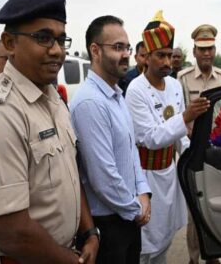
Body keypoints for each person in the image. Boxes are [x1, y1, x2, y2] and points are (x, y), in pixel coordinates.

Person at [0, 0, 99, 263]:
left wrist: (90, 232)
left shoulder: (52, 97)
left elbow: (68, 174)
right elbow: (14, 233)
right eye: (43, 38)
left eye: (60, 39)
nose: (57, 50)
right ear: (9, 42)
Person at [125, 11, 210, 264]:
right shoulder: (136, 90)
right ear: (146, 57)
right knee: (145, 244)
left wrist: (191, 157)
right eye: (159, 55)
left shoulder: (173, 85)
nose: (166, 61)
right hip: (145, 176)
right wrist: (186, 117)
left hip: (169, 174)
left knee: (164, 240)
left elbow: (179, 137)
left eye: (169, 55)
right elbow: (150, 137)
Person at [70, 15, 152, 264]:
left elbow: (131, 151)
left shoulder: (116, 95)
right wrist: (135, 209)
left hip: (127, 216)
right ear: (95, 51)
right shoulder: (90, 102)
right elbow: (102, 177)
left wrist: (144, 191)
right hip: (108, 222)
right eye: (117, 47)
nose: (126, 54)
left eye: (126, 47)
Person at [178, 24, 221, 264]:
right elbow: (179, 117)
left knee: (215, 208)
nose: (207, 54)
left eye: (210, 49)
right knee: (194, 212)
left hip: (216, 154)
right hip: (193, 153)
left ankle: (213, 254)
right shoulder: (183, 78)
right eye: (202, 49)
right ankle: (193, 258)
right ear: (195, 52)